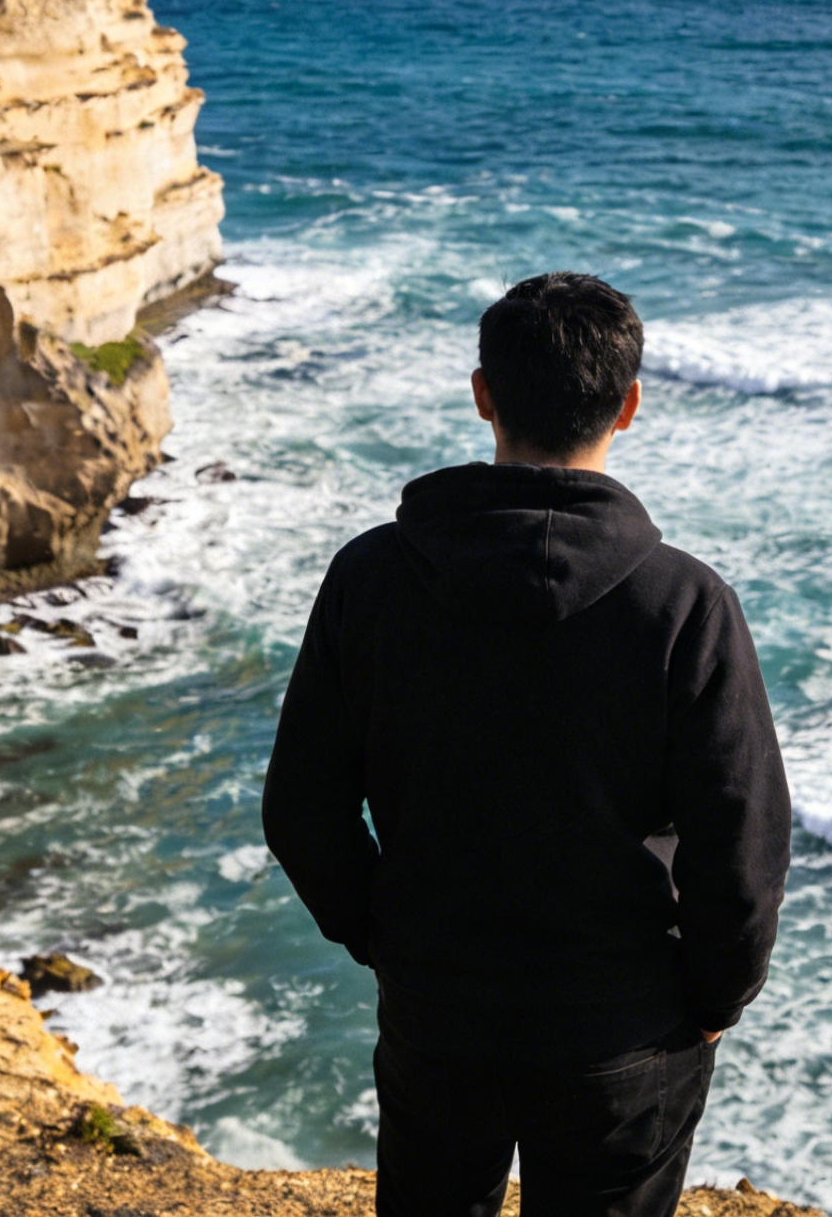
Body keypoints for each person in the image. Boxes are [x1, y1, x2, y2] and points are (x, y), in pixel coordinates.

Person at [262, 271, 792, 1217]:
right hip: (624, 1030)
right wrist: (715, 999)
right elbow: (741, 843)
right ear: (629, 406)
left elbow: (302, 807)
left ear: (483, 396)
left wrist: (384, 937)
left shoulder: (373, 575)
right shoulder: (683, 604)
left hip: (438, 1007)